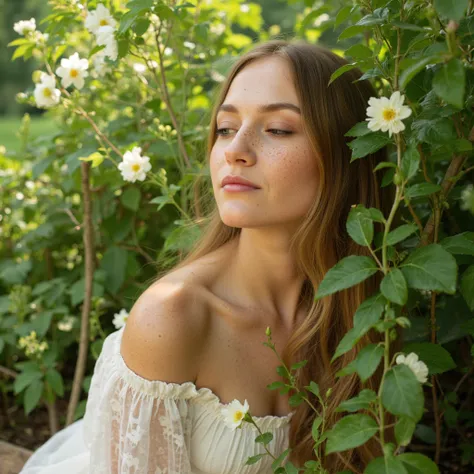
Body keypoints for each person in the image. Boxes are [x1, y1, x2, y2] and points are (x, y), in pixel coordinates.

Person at [20, 38, 393, 474]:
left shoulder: (366, 308)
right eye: (225, 128)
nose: (236, 149)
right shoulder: (174, 315)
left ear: (347, 156)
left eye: (278, 129)